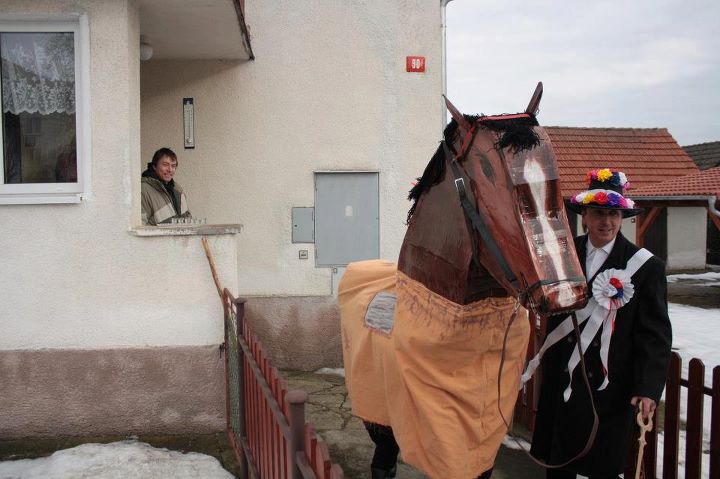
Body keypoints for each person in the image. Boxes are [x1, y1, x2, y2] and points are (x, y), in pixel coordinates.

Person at [528, 168, 672, 479]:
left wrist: (647, 388)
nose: (606, 221)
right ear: (585, 216)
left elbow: (655, 336)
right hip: (563, 376)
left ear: (622, 218)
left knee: (602, 466)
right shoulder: (564, 254)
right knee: (558, 463)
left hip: (608, 385)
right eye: (598, 213)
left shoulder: (646, 267)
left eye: (613, 214)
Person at [141, 147, 191, 225]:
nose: (170, 169)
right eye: (165, 165)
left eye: (173, 166)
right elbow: (140, 226)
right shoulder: (143, 190)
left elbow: (188, 219)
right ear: (154, 166)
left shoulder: (177, 189)